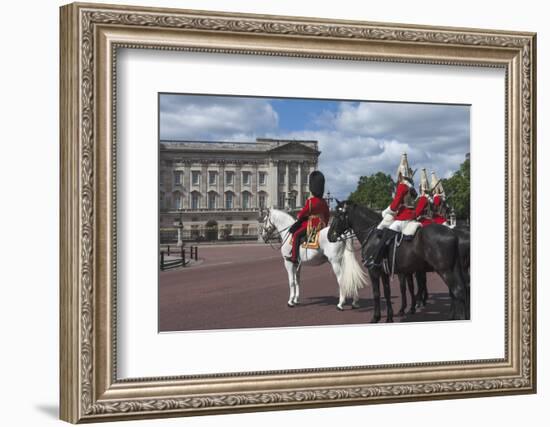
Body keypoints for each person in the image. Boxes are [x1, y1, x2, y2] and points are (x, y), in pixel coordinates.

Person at [365, 153, 417, 268]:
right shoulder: (412, 188)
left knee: (385, 236)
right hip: (413, 217)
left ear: (401, 175)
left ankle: (377, 261)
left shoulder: (402, 187)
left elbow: (394, 206)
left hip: (403, 218)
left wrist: (386, 211)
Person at [286, 171, 330, 264]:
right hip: (322, 225)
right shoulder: (324, 202)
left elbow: (302, 214)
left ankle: (294, 258)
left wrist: (299, 218)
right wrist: (324, 224)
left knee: (296, 235)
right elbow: (327, 215)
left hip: (311, 225)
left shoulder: (311, 201)